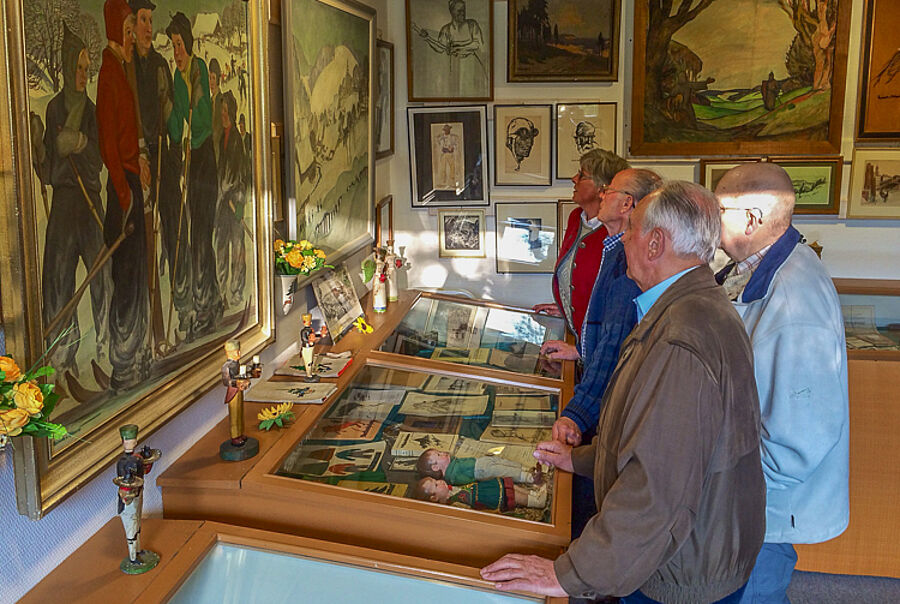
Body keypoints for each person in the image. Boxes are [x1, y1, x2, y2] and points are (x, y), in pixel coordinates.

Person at [482, 181, 766, 603]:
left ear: (655, 243)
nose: (621, 241)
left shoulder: (680, 337)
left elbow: (655, 489)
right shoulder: (687, 308)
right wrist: (580, 459)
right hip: (689, 548)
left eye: (630, 230)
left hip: (678, 569)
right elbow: (656, 437)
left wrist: (567, 574)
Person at [714, 162, 849, 603]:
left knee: (755, 591)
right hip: (750, 500)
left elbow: (801, 438)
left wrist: (735, 489)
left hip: (764, 511)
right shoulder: (755, 268)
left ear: (751, 218)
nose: (711, 222)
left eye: (718, 210)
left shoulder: (794, 298)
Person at [544, 169, 662, 541]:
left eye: (610, 190)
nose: (602, 194)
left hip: (610, 403)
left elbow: (614, 346)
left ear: (628, 203)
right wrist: (581, 348)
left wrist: (578, 413)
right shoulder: (613, 249)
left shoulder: (630, 265)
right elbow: (604, 328)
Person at [35, 24, 111, 376]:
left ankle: (106, 348)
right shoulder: (52, 110)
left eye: (86, 68)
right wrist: (43, 153)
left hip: (89, 201)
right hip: (65, 204)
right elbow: (51, 165)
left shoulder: (93, 112)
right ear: (67, 68)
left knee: (101, 275)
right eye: (78, 68)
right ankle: (64, 358)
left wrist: (80, 142)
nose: (83, 74)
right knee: (58, 277)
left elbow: (98, 159)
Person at [97, 0, 152, 392]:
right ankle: (123, 365)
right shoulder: (108, 74)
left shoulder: (122, 70)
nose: (134, 37)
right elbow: (108, 145)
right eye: (130, 29)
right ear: (118, 30)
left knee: (138, 274)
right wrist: (123, 195)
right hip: (123, 196)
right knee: (126, 278)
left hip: (131, 185)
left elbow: (128, 136)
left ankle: (139, 355)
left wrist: (142, 159)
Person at [130, 0, 193, 343]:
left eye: (149, 20)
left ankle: (182, 312)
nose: (147, 28)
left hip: (163, 160)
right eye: (143, 20)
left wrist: (170, 118)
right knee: (142, 246)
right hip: (137, 164)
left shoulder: (157, 65)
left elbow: (171, 115)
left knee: (174, 232)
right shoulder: (126, 67)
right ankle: (149, 333)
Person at [166, 12, 222, 337]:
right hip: (191, 160)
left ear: (187, 41)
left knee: (202, 237)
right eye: (172, 46)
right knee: (194, 238)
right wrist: (170, 127)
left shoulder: (198, 68)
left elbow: (202, 121)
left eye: (178, 44)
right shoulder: (178, 75)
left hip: (205, 161)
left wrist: (193, 115)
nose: (176, 51)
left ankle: (208, 305)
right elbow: (177, 119)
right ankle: (210, 302)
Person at [213, 90, 247, 308]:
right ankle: (221, 291)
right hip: (223, 203)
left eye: (226, 111)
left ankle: (235, 292)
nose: (223, 115)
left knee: (237, 250)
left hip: (235, 202)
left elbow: (239, 175)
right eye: (221, 111)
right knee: (221, 247)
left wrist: (234, 201)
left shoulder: (235, 139)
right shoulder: (220, 138)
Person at [414, 476, 547, 512]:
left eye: (436, 480)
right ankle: (536, 502)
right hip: (488, 497)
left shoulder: (450, 489)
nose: (440, 481)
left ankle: (533, 493)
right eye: (436, 485)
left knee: (510, 486)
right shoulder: (453, 503)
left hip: (486, 488)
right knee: (512, 495)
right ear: (435, 498)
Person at [417, 448, 541, 485]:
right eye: (439, 455)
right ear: (435, 467)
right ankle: (529, 478)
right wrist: (475, 479)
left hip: (480, 462)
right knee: (503, 471)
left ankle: (525, 469)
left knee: (503, 462)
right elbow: (467, 480)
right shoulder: (452, 476)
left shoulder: (452, 463)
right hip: (480, 471)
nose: (443, 453)